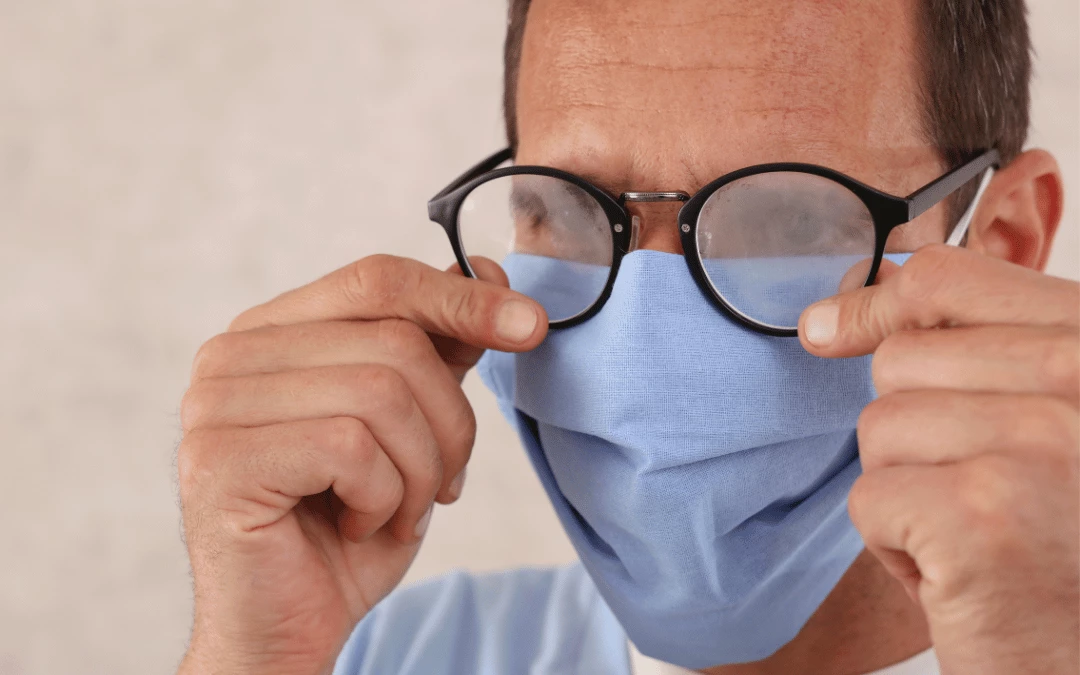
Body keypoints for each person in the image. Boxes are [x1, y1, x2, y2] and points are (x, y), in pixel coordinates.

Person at [174, 0, 1079, 673]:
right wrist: (258, 653)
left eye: (784, 218)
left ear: (1002, 245)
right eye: (572, 209)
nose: (645, 343)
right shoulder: (401, 653)